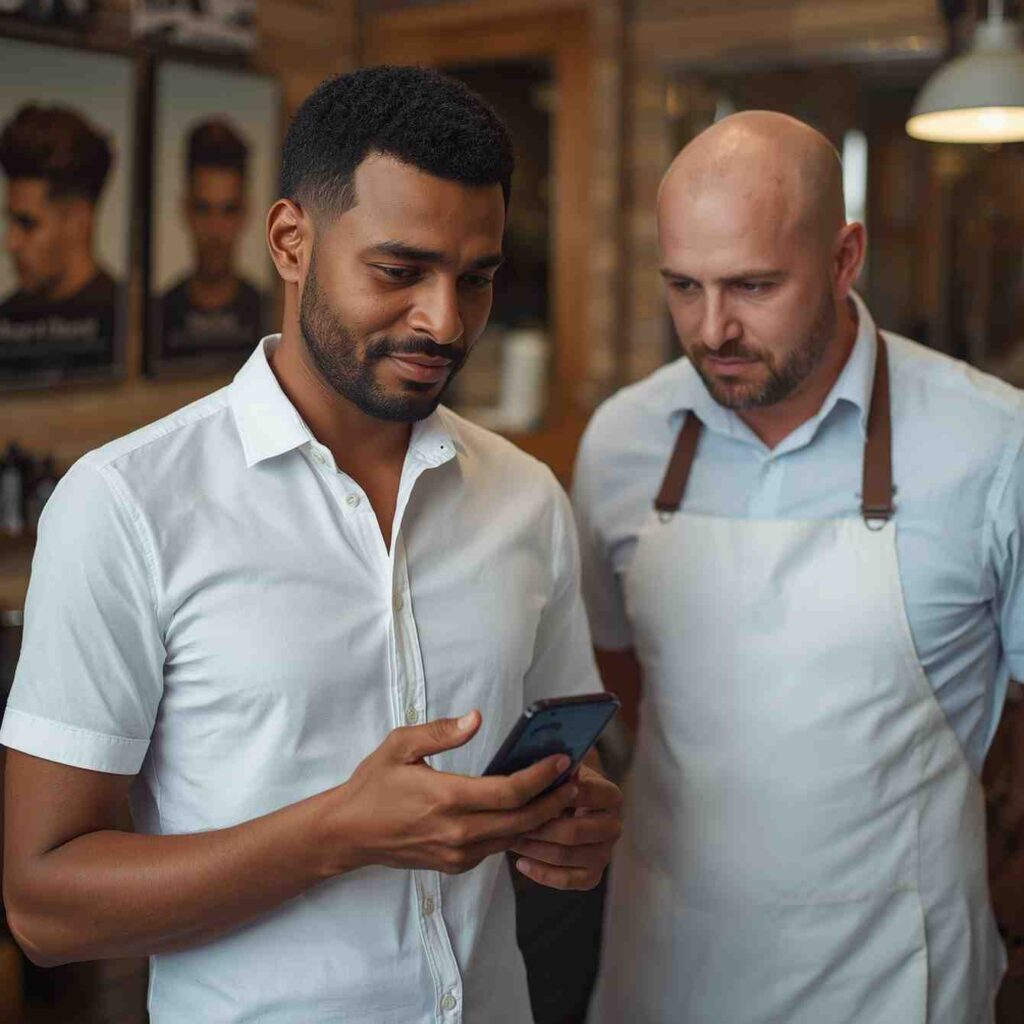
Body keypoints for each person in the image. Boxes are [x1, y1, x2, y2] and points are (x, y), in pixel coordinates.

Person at [1, 66, 622, 1023]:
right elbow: (44, 906)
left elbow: (554, 785)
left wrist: (573, 829)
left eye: (478, 278)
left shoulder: (526, 500)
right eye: (399, 271)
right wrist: (334, 833)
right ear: (292, 241)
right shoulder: (126, 504)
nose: (444, 320)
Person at [576, 110, 1024, 1023]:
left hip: (896, 977)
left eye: (753, 285)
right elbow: (619, 668)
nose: (712, 330)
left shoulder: (994, 445)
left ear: (844, 257)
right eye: (683, 288)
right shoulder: (623, 441)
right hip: (667, 960)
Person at [0, 104, 119, 366]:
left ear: (77, 221)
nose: (10, 243)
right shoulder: (6, 317)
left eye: (27, 224)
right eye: (11, 222)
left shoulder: (129, 324)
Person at [157, 117, 269, 355]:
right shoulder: (158, 313)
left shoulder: (267, 313)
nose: (215, 230)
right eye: (203, 209)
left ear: (245, 213)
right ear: (185, 211)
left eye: (228, 210)